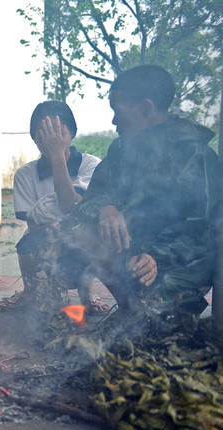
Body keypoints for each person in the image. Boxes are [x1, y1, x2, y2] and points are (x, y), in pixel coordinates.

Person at [61, 65, 220, 319]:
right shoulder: (121, 149)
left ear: (146, 109)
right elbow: (97, 191)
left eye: (117, 111)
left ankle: (171, 309)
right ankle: (131, 307)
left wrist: (156, 255)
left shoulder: (195, 155)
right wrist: (106, 206)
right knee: (80, 233)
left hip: (182, 261)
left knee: (159, 319)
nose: (113, 121)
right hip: (137, 248)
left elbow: (200, 232)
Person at [1, 101, 107, 314]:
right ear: (34, 139)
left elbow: (71, 206)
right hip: (44, 240)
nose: (50, 140)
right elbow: (31, 221)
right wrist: (51, 225)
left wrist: (58, 156)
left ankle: (87, 293)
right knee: (28, 240)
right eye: (42, 134)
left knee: (88, 235)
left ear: (71, 132)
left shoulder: (91, 165)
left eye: (57, 132)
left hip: (82, 244)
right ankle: (30, 291)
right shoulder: (25, 174)